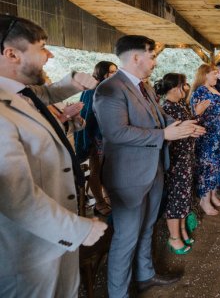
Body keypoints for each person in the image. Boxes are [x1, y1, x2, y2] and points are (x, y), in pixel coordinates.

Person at [0, 15, 106, 297]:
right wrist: (78, 229)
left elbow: (44, 94)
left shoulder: (21, 93)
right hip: (27, 255)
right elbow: (15, 196)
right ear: (11, 53)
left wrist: (72, 82)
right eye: (42, 47)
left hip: (55, 242)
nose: (50, 54)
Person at [94, 35, 204, 296]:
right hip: (127, 175)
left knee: (147, 228)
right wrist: (163, 136)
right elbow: (116, 132)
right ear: (136, 57)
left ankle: (145, 275)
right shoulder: (110, 88)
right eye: (152, 56)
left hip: (153, 168)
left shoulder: (145, 87)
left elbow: (160, 116)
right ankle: (119, 293)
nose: (155, 62)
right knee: (126, 237)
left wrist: (181, 127)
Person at [155, 73, 210, 255]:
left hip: (186, 157)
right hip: (176, 159)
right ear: (174, 88)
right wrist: (197, 117)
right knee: (176, 198)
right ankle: (174, 236)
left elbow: (189, 125)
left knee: (184, 196)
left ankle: (182, 229)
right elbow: (175, 131)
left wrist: (196, 117)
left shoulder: (179, 104)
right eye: (183, 86)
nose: (186, 89)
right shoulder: (167, 108)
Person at [75, 60, 118, 216]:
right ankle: (99, 203)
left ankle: (109, 199)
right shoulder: (91, 91)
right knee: (97, 171)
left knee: (108, 171)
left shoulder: (110, 89)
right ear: (103, 73)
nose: (115, 74)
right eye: (112, 71)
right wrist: (89, 141)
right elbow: (87, 116)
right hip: (96, 138)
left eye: (116, 71)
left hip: (110, 138)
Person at [191, 64, 220, 216]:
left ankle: (213, 195)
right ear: (204, 75)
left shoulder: (214, 89)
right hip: (207, 135)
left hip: (217, 134)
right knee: (207, 168)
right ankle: (204, 200)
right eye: (214, 74)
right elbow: (211, 111)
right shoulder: (200, 91)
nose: (216, 76)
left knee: (217, 166)